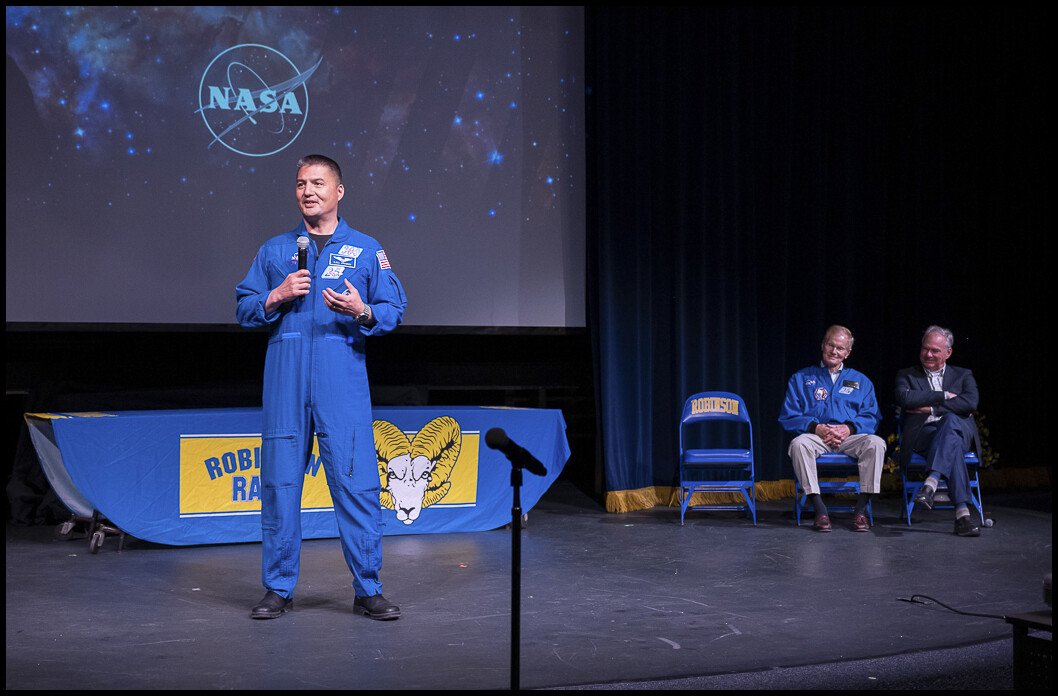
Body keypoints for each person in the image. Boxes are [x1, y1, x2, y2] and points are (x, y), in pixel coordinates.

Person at [236, 154, 408, 620]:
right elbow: (244, 306)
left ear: (338, 191)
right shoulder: (275, 250)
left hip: (341, 381)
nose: (307, 191)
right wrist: (275, 295)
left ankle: (368, 589)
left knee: (357, 485)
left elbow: (393, 308)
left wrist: (362, 311)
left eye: (317, 183)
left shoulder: (367, 249)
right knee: (279, 486)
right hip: (286, 382)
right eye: (300, 184)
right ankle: (278, 588)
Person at [779, 325, 885, 532]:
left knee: (876, 443)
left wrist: (849, 429)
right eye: (830, 345)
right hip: (816, 437)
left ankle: (861, 510)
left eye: (840, 348)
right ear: (823, 345)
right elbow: (789, 416)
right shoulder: (801, 378)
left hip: (850, 438)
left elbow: (872, 416)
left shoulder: (861, 381)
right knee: (798, 444)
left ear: (848, 352)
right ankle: (820, 510)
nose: (834, 351)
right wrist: (815, 427)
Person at [894, 326, 982, 537]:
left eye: (935, 350)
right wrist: (944, 395)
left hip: (959, 432)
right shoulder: (907, 374)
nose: (928, 354)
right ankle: (962, 516)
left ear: (948, 352)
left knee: (950, 423)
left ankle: (931, 482)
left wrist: (931, 409)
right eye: (925, 348)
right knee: (952, 441)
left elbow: (970, 402)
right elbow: (906, 398)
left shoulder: (963, 375)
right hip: (923, 435)